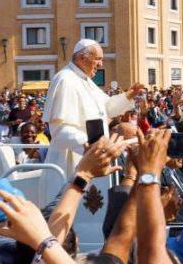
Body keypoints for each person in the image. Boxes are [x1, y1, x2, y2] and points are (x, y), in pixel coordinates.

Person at [41, 39, 144, 214]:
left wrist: (128, 96)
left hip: (94, 158)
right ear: (82, 57)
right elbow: (59, 130)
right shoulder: (65, 80)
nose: (101, 64)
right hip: (71, 161)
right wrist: (88, 146)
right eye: (98, 59)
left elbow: (108, 107)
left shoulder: (85, 81)